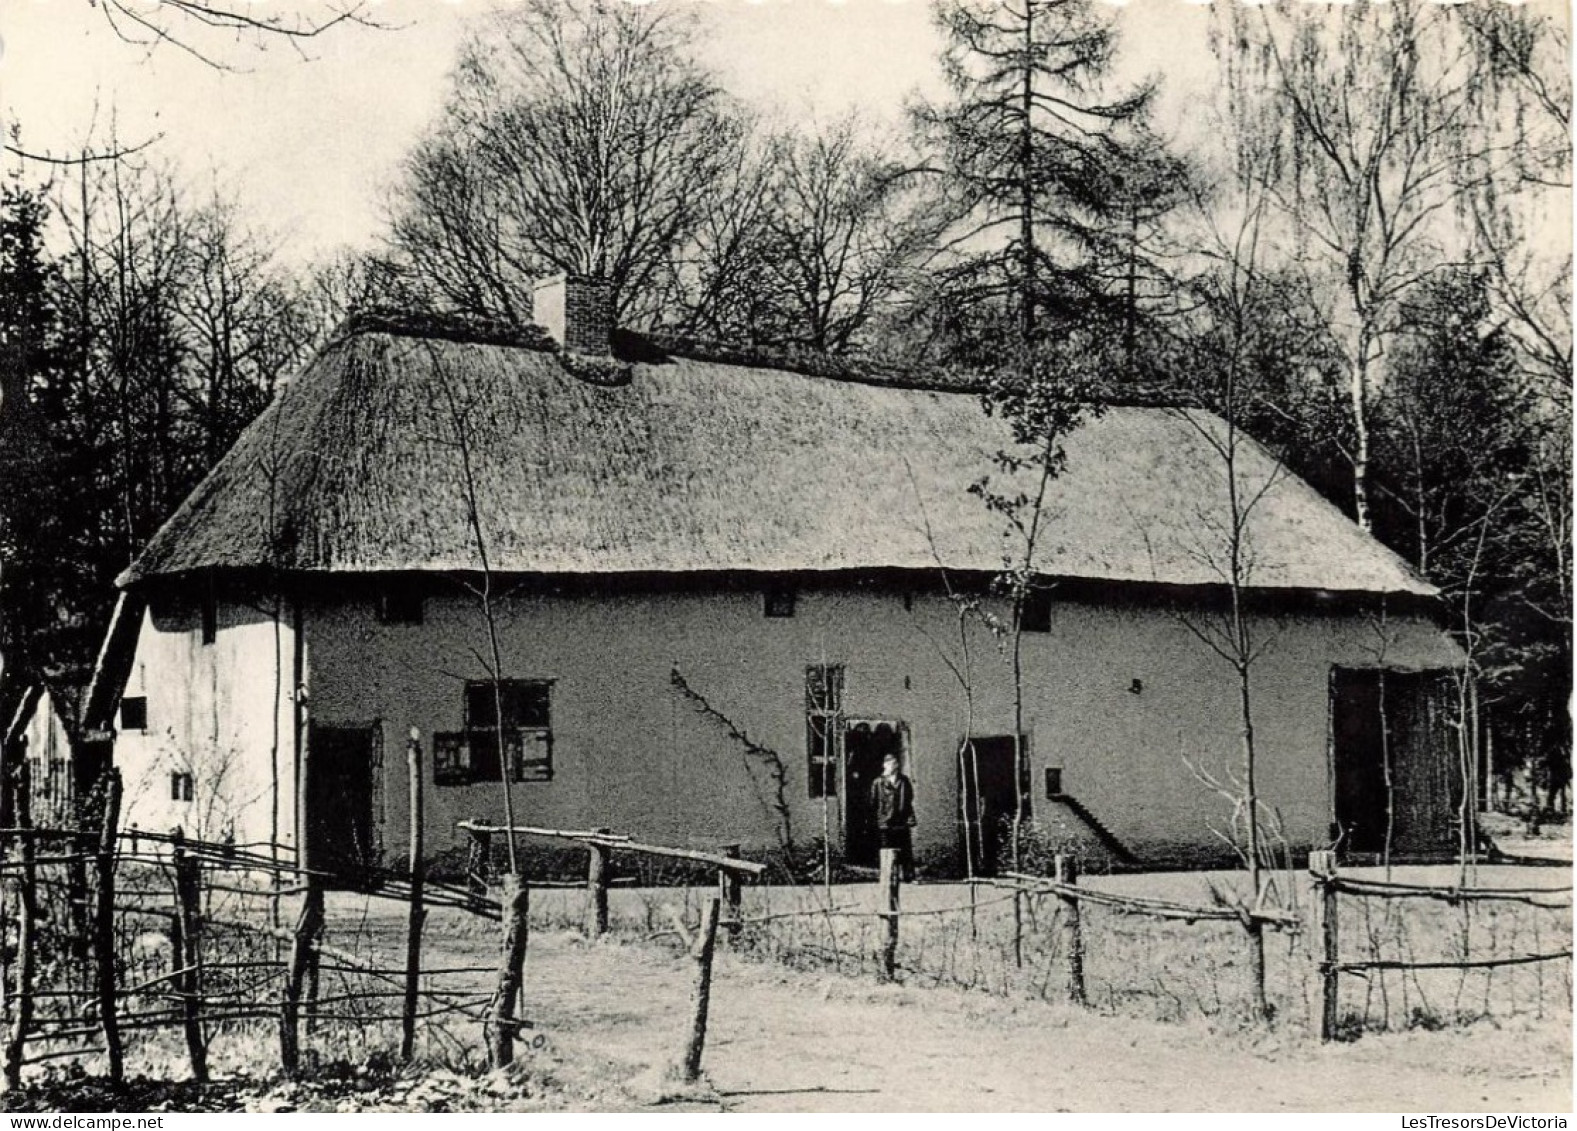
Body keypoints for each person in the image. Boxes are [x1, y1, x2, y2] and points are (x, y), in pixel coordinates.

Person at [870, 752, 916, 881]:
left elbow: (909, 797)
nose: (893, 766)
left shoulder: (903, 780)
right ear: (884, 765)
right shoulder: (878, 783)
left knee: (905, 849)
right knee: (886, 850)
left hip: (901, 820)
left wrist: (907, 815)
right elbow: (873, 801)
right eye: (890, 763)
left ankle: (908, 876)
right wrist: (879, 817)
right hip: (885, 821)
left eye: (895, 763)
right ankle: (887, 875)